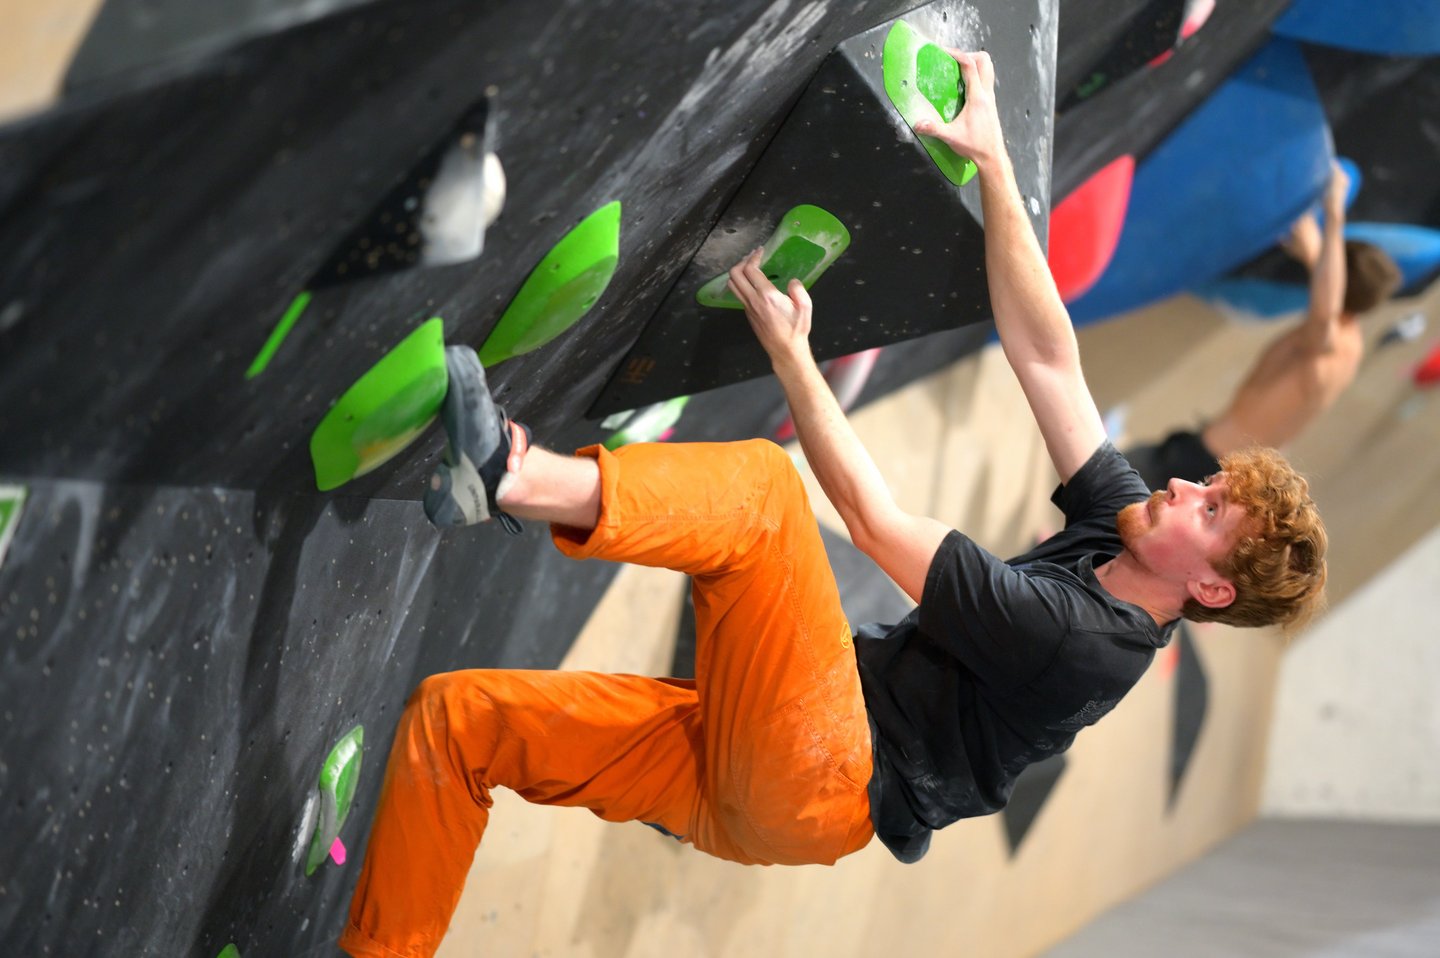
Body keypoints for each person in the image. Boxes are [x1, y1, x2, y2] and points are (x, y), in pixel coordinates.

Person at [338, 50, 1328, 958]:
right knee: (458, 722)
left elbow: (874, 522)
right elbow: (1047, 355)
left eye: (1209, 510)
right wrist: (991, 161)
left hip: (823, 772)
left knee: (768, 496)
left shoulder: (1082, 640)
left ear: (1203, 587)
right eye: (1209, 482)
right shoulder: (1126, 529)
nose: (1184, 484)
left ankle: (508, 478)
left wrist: (795, 361)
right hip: (756, 760)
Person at [1125, 162, 1403, 490]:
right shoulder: (1350, 348)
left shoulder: (1329, 342)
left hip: (1203, 459)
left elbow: (1325, 311)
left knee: (1098, 493)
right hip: (1216, 461)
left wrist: (1332, 215)